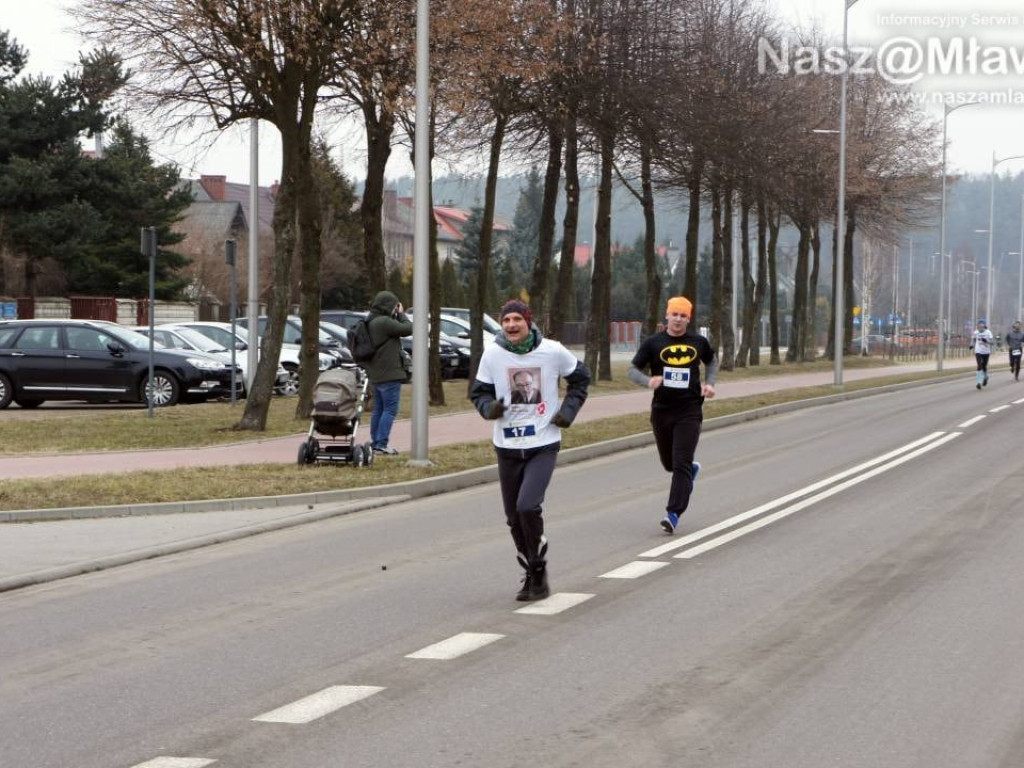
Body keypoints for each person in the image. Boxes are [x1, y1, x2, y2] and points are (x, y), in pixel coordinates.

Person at [470, 299, 590, 601]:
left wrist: (568, 412)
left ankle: (536, 567)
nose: (511, 325)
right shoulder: (493, 354)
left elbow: (581, 379)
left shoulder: (552, 351)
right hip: (507, 445)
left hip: (542, 444)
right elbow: (479, 392)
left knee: (527, 507)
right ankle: (533, 569)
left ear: (528, 322)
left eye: (516, 320)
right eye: (506, 320)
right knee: (513, 518)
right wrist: (489, 408)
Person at [629, 296, 717, 534]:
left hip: (689, 410)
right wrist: (648, 381)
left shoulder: (698, 342)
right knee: (670, 464)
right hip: (662, 411)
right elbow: (632, 370)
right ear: (666, 316)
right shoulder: (653, 343)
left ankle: (673, 513)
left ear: (688, 319)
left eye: (683, 315)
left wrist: (709, 383)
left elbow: (711, 361)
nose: (678, 319)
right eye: (674, 314)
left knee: (680, 463)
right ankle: (691, 471)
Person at [363, 291, 412, 454]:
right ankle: (381, 444)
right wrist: (402, 313)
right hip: (389, 374)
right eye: (394, 305)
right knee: (390, 410)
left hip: (377, 374)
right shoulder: (384, 322)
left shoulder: (372, 321)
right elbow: (407, 328)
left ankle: (376, 441)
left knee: (379, 409)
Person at [971, 319, 994, 390]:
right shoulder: (976, 332)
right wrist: (971, 345)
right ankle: (978, 382)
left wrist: (987, 341)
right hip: (978, 351)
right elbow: (973, 340)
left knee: (984, 366)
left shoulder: (988, 332)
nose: (980, 327)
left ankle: (985, 377)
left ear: (984, 326)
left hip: (986, 352)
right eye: (979, 326)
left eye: (982, 326)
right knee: (979, 365)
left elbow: (992, 342)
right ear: (977, 326)